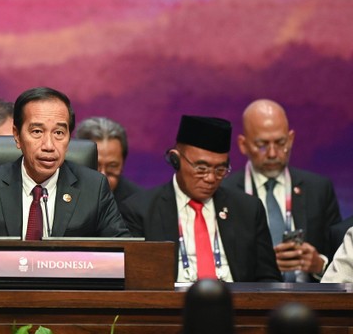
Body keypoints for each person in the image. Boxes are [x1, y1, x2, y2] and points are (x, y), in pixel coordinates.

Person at [0, 87, 130, 238]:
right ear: (17, 136)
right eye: (37, 132)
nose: (49, 146)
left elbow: (123, 254)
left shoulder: (94, 187)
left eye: (58, 133)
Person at [119, 115, 281, 282]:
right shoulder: (140, 210)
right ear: (176, 159)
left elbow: (269, 279)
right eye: (201, 168)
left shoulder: (248, 209)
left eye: (220, 170)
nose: (211, 178)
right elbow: (133, 281)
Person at [222, 99, 341, 282]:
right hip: (253, 301)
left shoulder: (319, 189)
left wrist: (319, 265)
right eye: (262, 144)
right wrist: (263, 265)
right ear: (243, 144)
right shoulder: (225, 193)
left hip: (311, 301)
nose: (272, 153)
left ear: (291, 139)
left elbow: (343, 258)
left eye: (280, 143)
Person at [75, 117, 144, 207]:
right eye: (95, 165)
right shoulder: (56, 194)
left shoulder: (139, 204)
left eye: (112, 166)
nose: (103, 176)